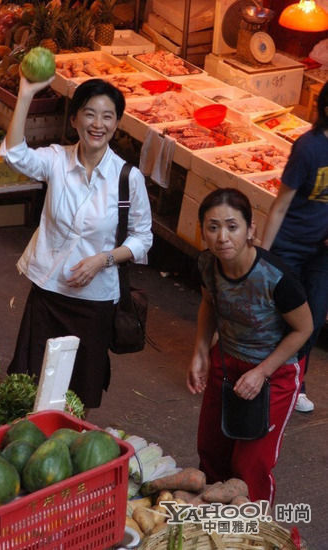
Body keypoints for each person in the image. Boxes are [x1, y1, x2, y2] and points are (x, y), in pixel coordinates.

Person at [0, 75, 152, 409]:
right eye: (89, 113)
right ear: (74, 119)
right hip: (49, 292)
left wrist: (104, 260)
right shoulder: (56, 160)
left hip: (95, 301)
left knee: (78, 395)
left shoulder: (128, 178)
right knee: (32, 385)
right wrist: (24, 94)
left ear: (117, 124)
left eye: (107, 116)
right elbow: (13, 155)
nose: (98, 124)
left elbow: (143, 237)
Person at [187, 188, 313, 504]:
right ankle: (214, 529)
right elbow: (208, 303)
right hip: (226, 363)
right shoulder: (207, 264)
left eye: (232, 226)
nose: (222, 237)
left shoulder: (277, 278)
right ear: (203, 230)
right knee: (211, 452)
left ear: (250, 230)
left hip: (275, 373)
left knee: (249, 466)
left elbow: (304, 330)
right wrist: (201, 351)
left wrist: (261, 373)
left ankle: (254, 534)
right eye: (213, 227)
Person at [261, 81, 328, 413]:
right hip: (290, 245)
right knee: (281, 314)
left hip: (322, 250)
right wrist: (262, 256)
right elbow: (281, 205)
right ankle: (264, 374)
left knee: (313, 318)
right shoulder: (309, 148)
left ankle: (296, 382)